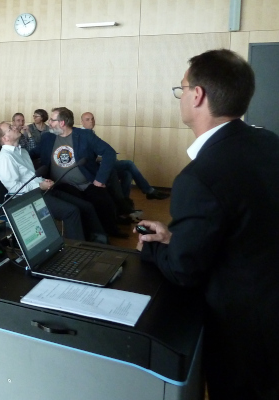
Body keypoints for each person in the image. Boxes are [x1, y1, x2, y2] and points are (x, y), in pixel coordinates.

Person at [136, 49, 279, 400]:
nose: (181, 96)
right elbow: (244, 224)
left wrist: (154, 247)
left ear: (197, 95)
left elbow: (185, 270)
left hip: (244, 335)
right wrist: (178, 236)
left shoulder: (200, 176)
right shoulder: (268, 143)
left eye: (181, 88)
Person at [0, 122, 106, 243]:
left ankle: (99, 242)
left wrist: (43, 182)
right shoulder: (4, 159)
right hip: (28, 198)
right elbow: (15, 189)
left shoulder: (23, 152)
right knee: (71, 212)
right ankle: (78, 249)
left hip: (42, 190)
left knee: (86, 206)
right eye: (10, 128)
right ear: (5, 138)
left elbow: (32, 177)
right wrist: (40, 185)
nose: (15, 127)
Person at [40, 107, 126, 238]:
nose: (49, 123)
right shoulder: (47, 138)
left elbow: (109, 153)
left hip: (87, 181)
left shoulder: (85, 135)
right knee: (83, 206)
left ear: (62, 123)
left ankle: (110, 230)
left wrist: (100, 180)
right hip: (62, 185)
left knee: (104, 200)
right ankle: (92, 235)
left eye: (52, 120)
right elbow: (34, 153)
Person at [81, 112, 169, 201]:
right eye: (87, 120)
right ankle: (149, 191)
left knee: (127, 174)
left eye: (92, 119)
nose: (91, 121)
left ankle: (124, 201)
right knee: (129, 164)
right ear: (82, 122)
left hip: (100, 163)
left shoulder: (90, 133)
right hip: (96, 167)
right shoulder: (83, 135)